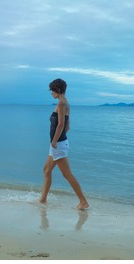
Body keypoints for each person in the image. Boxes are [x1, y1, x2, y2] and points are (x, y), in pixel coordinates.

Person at [39, 78, 89, 210]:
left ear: (58, 90)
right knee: (46, 169)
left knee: (67, 174)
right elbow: (68, 127)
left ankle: (83, 201)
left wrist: (55, 141)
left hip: (58, 144)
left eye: (52, 90)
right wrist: (59, 140)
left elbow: (61, 125)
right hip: (60, 143)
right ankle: (43, 199)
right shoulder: (66, 103)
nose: (51, 93)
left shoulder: (61, 104)